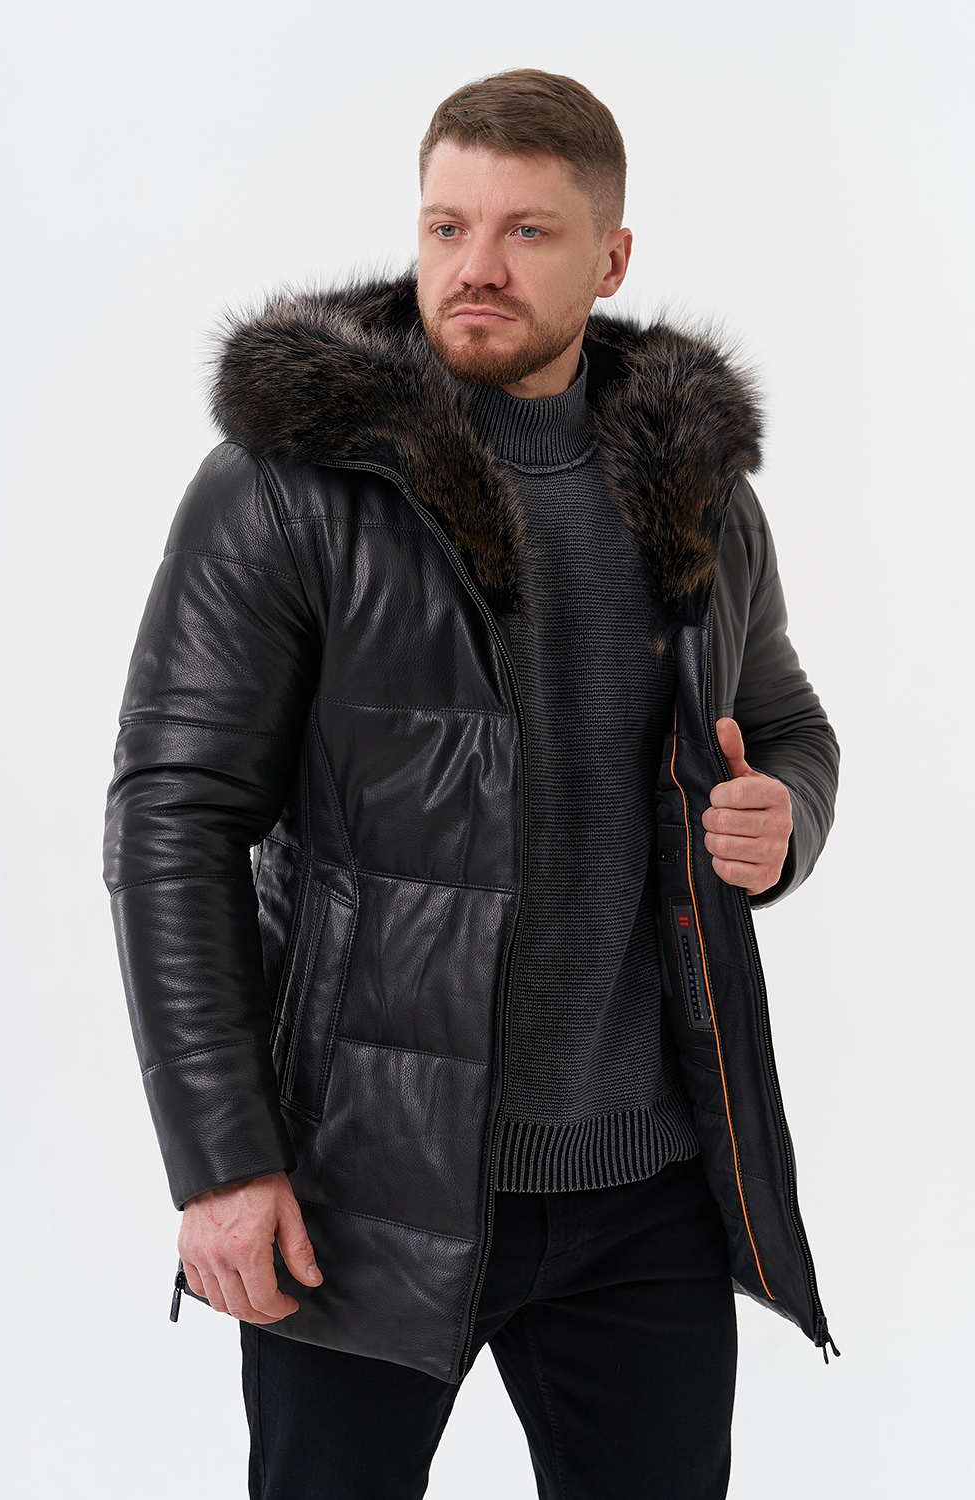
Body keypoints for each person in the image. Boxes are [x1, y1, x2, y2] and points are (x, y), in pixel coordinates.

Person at [103, 67, 840, 1500]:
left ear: (611, 259)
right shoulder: (287, 486)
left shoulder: (697, 493)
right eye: (447, 227)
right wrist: (221, 1162)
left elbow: (787, 725)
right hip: (361, 1185)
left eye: (526, 232)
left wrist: (787, 818)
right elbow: (171, 822)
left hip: (648, 1192)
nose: (475, 268)